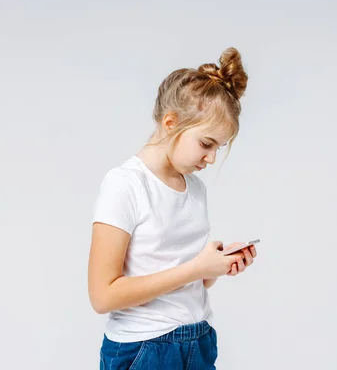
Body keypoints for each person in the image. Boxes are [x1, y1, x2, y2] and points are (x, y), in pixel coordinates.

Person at [88, 47, 257, 369]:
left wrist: (216, 267)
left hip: (199, 338)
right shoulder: (125, 184)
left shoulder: (195, 188)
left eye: (218, 148)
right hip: (146, 348)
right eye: (206, 144)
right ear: (171, 122)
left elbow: (186, 278)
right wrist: (197, 269)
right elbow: (103, 296)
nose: (211, 158)